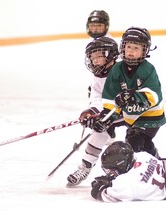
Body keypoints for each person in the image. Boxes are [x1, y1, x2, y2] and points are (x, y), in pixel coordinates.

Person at [93, 27, 166, 159]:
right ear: (123, 47)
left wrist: (133, 97)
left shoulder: (148, 69)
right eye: (129, 47)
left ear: (145, 50)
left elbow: (153, 95)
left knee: (136, 143)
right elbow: (110, 96)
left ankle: (156, 164)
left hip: (150, 116)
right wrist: (106, 117)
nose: (131, 52)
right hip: (131, 116)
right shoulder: (116, 69)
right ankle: (154, 163)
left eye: (136, 48)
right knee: (135, 142)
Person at [66, 36, 124, 187]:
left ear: (111, 55)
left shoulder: (122, 71)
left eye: (100, 56)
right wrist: (91, 113)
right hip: (110, 114)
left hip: (131, 114)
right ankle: (85, 167)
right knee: (98, 133)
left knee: (136, 140)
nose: (96, 60)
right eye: (93, 57)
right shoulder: (96, 78)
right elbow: (97, 99)